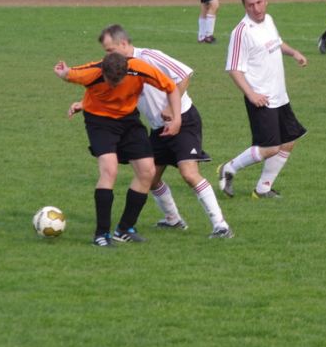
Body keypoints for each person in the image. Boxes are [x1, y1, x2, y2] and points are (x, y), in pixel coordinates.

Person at [95, 25, 233, 238]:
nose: (107, 56)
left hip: (183, 120)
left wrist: (171, 107)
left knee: (189, 173)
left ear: (123, 44)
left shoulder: (149, 57)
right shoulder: (119, 69)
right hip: (158, 129)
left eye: (110, 50)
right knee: (149, 177)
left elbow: (184, 74)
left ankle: (221, 226)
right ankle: (173, 219)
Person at [54, 52, 182, 247]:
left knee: (147, 171)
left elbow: (171, 87)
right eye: (110, 81)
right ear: (103, 72)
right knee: (109, 170)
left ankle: (124, 229)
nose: (114, 85)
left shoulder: (140, 69)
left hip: (128, 120)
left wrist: (177, 119)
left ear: (127, 71)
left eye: (118, 81)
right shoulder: (91, 72)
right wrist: (63, 72)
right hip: (99, 122)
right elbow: (68, 74)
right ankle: (101, 234)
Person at [218, 0, 307, 199]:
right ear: (244, 6)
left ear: (266, 0)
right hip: (261, 97)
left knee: (289, 141)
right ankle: (228, 168)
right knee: (270, 148)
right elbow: (233, 69)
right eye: (251, 5)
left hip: (279, 95)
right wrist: (251, 95)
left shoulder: (268, 20)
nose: (256, 8)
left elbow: (276, 43)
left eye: (259, 3)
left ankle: (263, 189)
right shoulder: (241, 32)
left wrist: (293, 52)